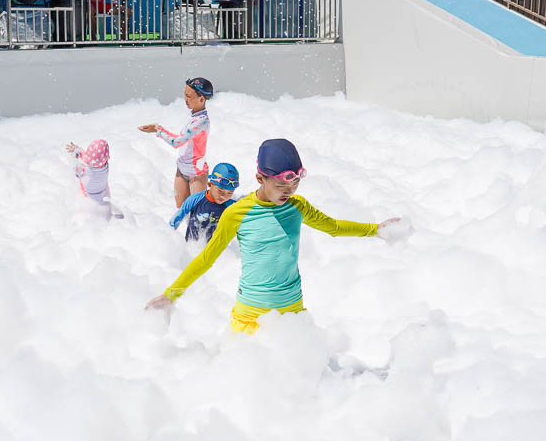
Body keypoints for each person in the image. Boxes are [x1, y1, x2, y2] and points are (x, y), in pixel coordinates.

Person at [146, 139, 401, 334]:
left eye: (294, 185)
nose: (288, 192)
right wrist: (171, 294)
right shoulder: (237, 212)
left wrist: (375, 230)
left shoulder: (297, 206)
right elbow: (207, 258)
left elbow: (333, 227)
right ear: (260, 178)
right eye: (281, 186)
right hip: (249, 316)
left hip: (292, 314)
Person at [139, 77, 212, 208]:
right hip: (182, 168)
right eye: (184, 95)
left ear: (201, 99)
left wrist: (158, 130)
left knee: (198, 212)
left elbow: (176, 143)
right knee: (180, 209)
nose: (185, 99)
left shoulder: (201, 121)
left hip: (196, 172)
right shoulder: (193, 116)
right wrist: (159, 129)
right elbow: (181, 139)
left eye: (189, 96)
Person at [169, 162, 239, 243]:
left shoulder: (231, 205)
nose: (224, 196)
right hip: (192, 248)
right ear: (210, 184)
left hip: (215, 252)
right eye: (220, 191)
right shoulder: (195, 199)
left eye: (229, 193)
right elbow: (177, 217)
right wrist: (168, 237)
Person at [66, 138, 112, 210]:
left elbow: (76, 173)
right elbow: (94, 158)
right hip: (103, 191)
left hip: (88, 196)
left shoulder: (87, 170)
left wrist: (76, 154)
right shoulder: (105, 166)